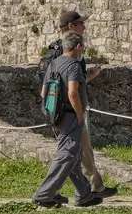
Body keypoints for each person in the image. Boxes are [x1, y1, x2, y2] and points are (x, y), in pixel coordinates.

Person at [39, 10, 118, 203]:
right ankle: (47, 193)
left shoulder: (63, 54)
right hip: (68, 112)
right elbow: (69, 89)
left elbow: (54, 86)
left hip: (61, 111)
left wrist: (88, 76)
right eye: (81, 24)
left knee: (77, 151)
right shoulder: (62, 52)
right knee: (71, 153)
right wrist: (79, 113)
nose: (84, 27)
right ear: (72, 27)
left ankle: (86, 191)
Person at [32, 31, 101, 208]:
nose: (82, 50)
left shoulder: (53, 63)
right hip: (70, 116)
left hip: (54, 114)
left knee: (73, 155)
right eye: (82, 46)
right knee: (67, 154)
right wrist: (79, 115)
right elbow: (72, 92)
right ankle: (45, 193)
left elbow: (43, 92)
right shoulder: (73, 65)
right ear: (77, 47)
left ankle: (84, 194)